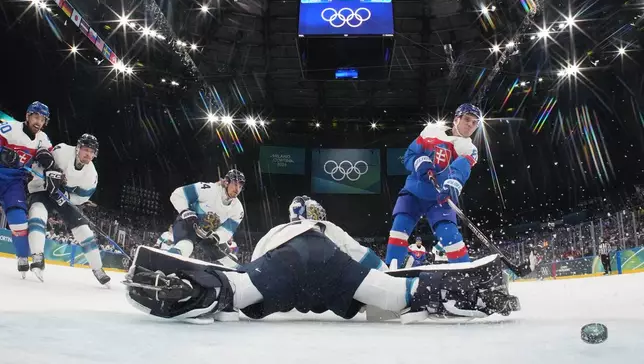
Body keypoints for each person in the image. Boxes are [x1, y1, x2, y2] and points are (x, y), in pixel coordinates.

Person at [124, 196, 519, 324]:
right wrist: (382, 293)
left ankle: (188, 290)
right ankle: (468, 292)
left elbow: (252, 267)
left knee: (236, 291)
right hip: (331, 268)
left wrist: (237, 286)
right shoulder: (328, 228)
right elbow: (374, 263)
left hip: (281, 268)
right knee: (398, 293)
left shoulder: (274, 232)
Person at [385, 103, 481, 267]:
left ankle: (464, 271)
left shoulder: (469, 149)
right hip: (414, 192)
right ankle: (390, 268)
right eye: (467, 119)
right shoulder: (431, 132)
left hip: (440, 198)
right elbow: (410, 155)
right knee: (399, 229)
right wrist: (420, 162)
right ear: (456, 119)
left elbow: (461, 169)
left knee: (450, 236)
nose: (470, 125)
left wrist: (452, 183)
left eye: (475, 122)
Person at [26, 134, 110, 285]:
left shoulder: (91, 175)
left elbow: (82, 198)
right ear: (78, 148)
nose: (88, 154)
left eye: (92, 152)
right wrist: (47, 176)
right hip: (43, 190)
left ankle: (98, 269)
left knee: (84, 230)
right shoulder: (62, 151)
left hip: (64, 198)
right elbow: (39, 164)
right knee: (37, 212)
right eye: (85, 149)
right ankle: (37, 256)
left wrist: (66, 197)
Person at [0, 102, 58, 276]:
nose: (38, 122)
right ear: (27, 116)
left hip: (14, 182)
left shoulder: (43, 139)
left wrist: (51, 167)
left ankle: (22, 257)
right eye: (35, 117)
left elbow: (49, 159)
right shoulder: (8, 128)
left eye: (42, 119)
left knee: (19, 220)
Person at [167, 169, 245, 264]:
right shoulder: (208, 189)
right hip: (188, 224)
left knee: (229, 261)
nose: (237, 190)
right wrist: (186, 211)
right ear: (226, 182)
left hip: (207, 234)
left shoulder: (238, 209)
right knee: (185, 246)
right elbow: (178, 194)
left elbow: (227, 230)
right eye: (235, 184)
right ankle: (166, 263)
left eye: (240, 187)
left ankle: (235, 276)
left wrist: (217, 237)